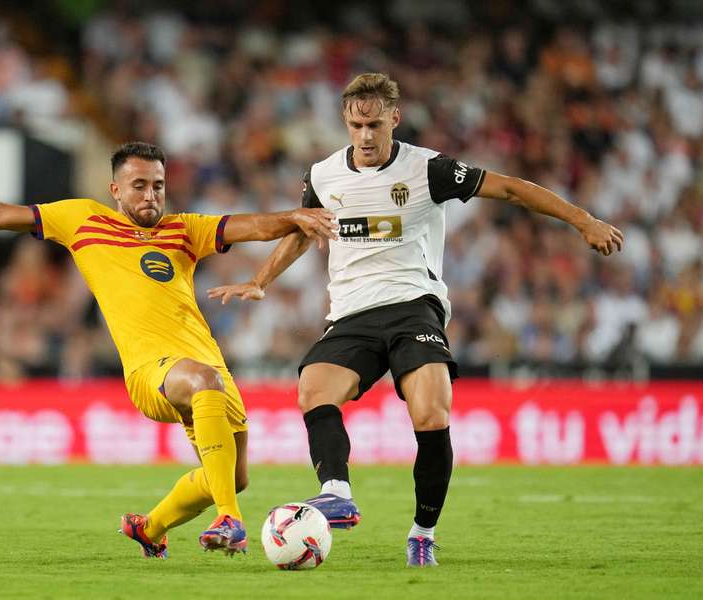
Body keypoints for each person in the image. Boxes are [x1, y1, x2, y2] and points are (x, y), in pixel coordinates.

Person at [208, 74, 624, 567]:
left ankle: (423, 531)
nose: (365, 136)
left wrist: (584, 220)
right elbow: (304, 229)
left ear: (395, 120)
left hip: (413, 305)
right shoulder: (322, 175)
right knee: (313, 389)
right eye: (356, 125)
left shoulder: (429, 170)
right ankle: (337, 491)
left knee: (430, 413)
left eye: (375, 125)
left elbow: (511, 190)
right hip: (352, 312)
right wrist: (261, 279)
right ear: (345, 121)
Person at [0, 141, 337, 559]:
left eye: (158, 185)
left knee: (233, 476)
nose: (150, 195)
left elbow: (251, 226)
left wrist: (292, 216)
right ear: (115, 190)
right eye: (139, 185)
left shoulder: (184, 230)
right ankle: (230, 522)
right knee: (209, 413)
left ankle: (149, 529)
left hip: (206, 365)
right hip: (151, 371)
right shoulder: (82, 219)